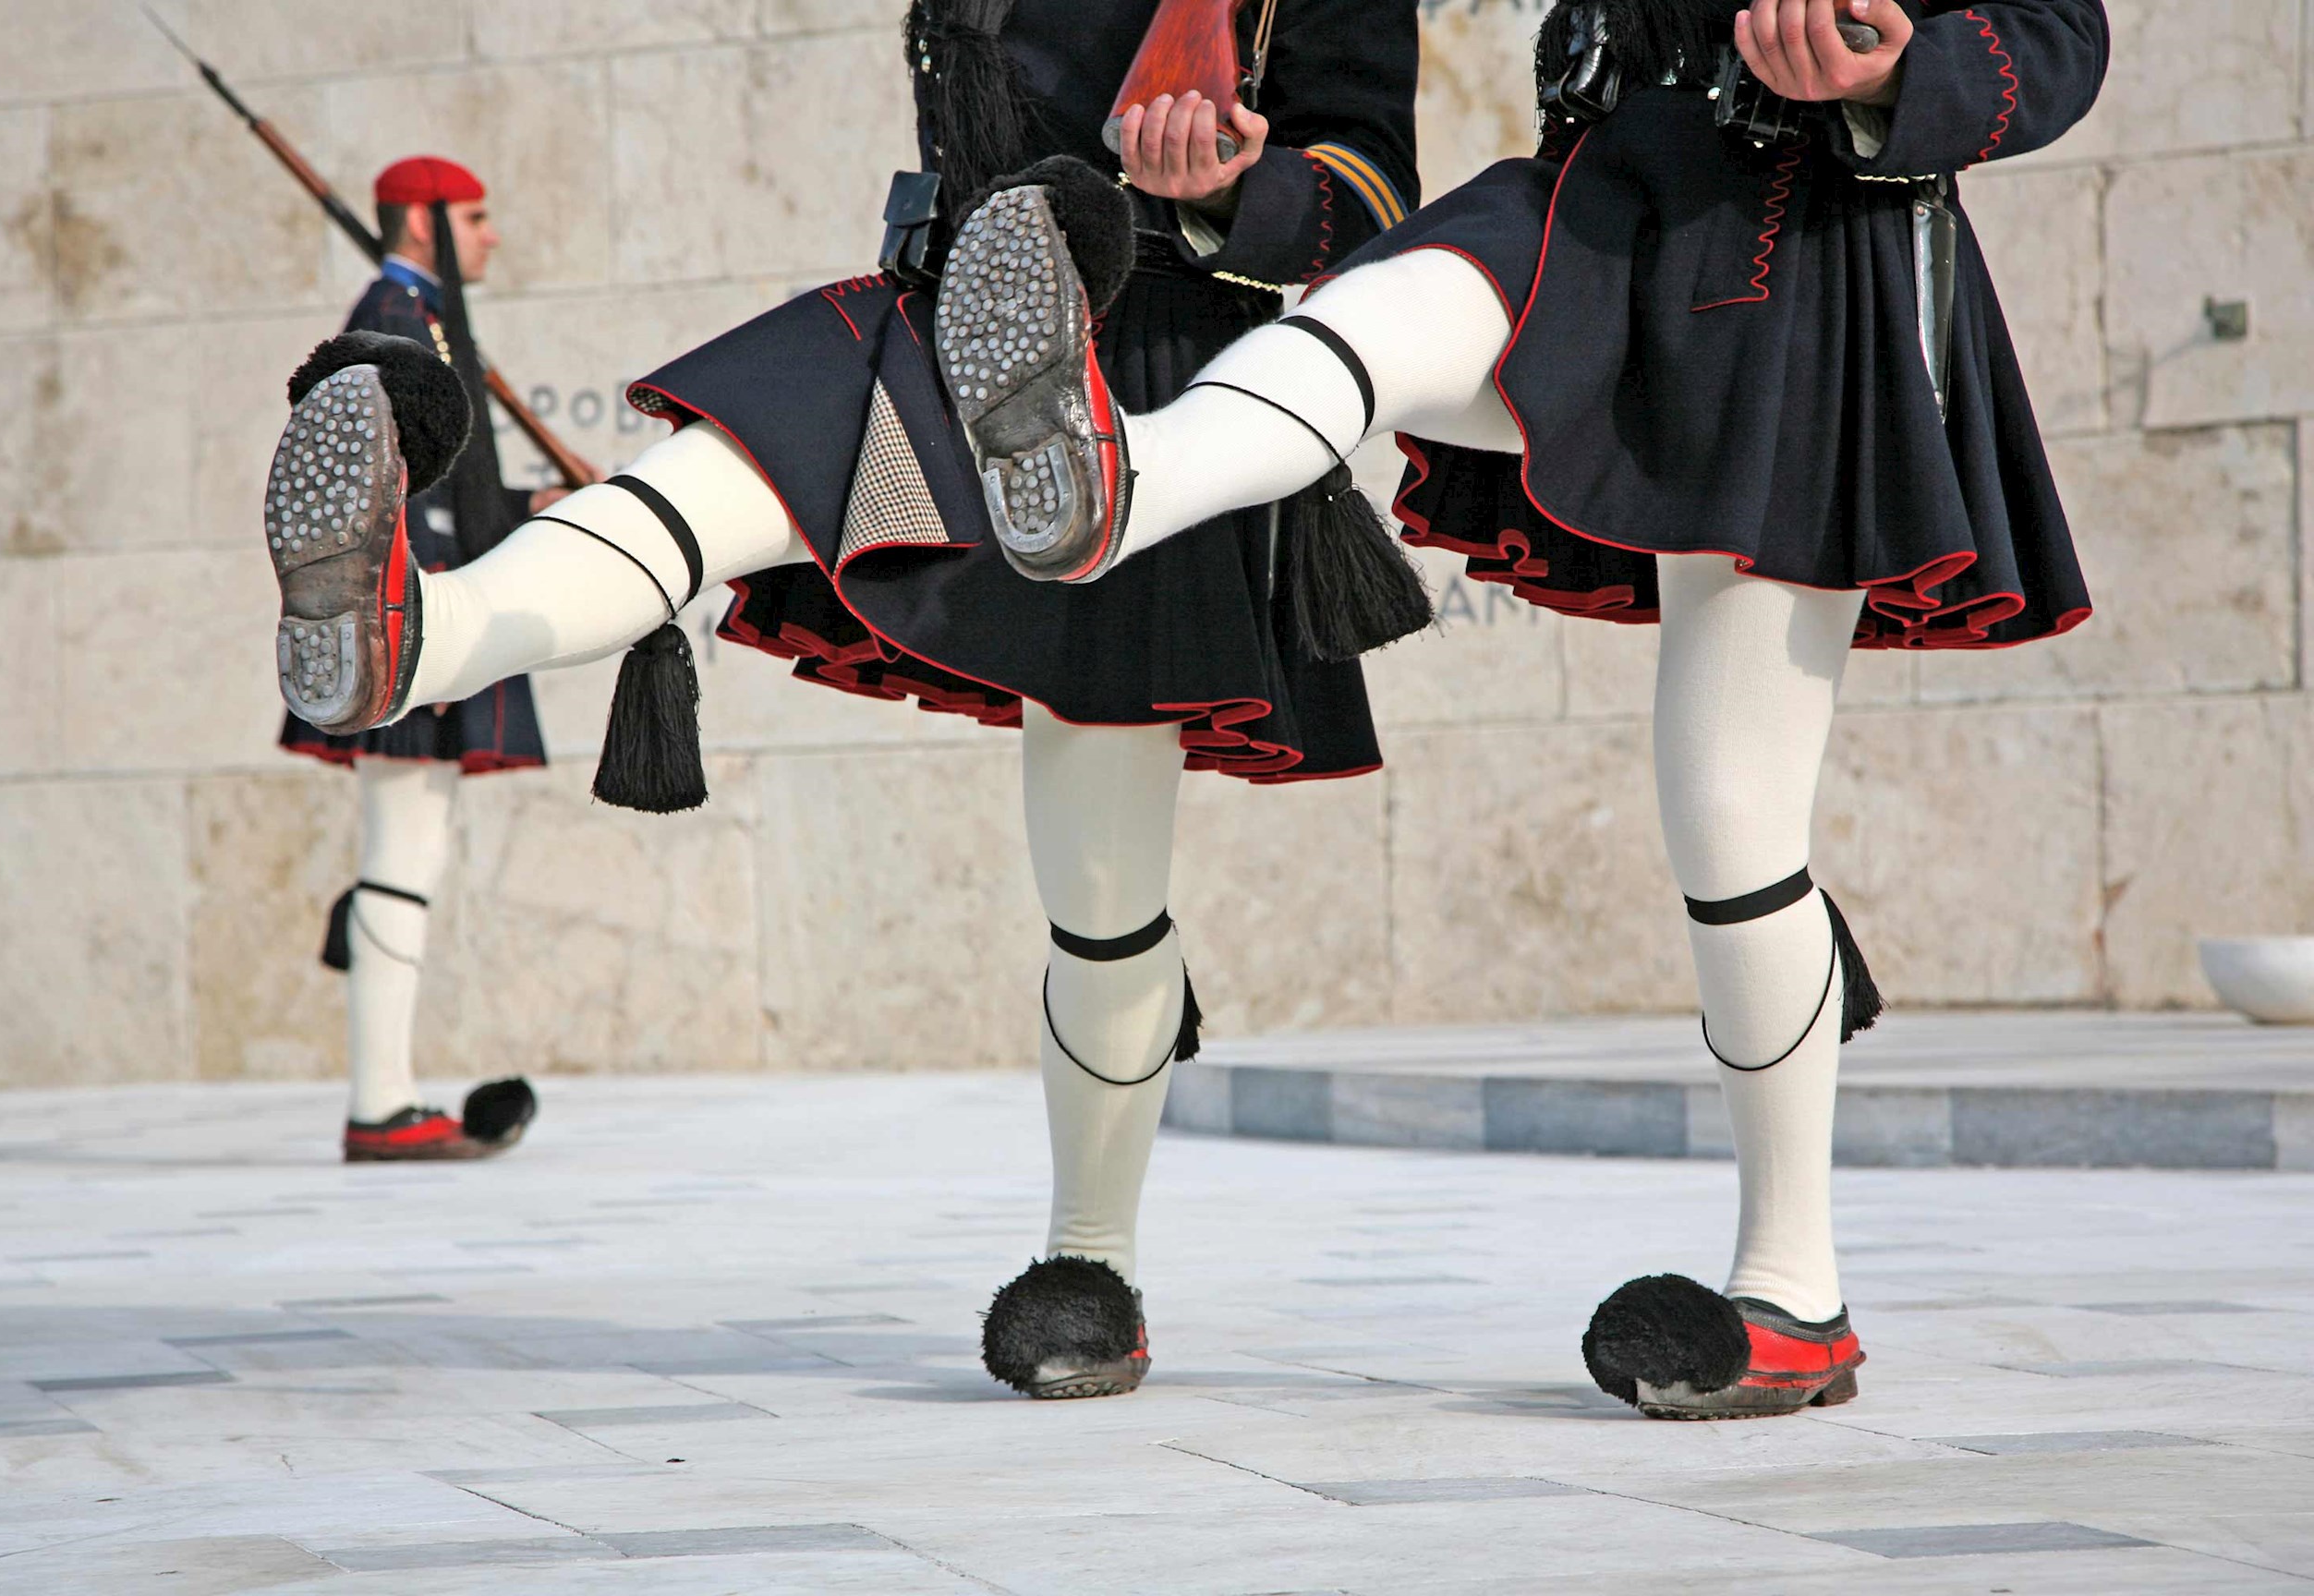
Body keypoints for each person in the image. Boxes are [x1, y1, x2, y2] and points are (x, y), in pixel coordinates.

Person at [936, 0, 2106, 1416]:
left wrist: (1897, 67)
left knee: (1732, 821)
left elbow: (2056, 33)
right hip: (1594, 197)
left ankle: (1795, 1295)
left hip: (1805, 244)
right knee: (1377, 306)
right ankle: (1122, 486)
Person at [257, 4, 1421, 1389]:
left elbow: (1372, 197)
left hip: (1138, 352)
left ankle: (1090, 1264)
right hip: (941, 314)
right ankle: (411, 634)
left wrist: (1235, 185)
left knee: (1102, 882)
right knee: (697, 481)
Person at [275, 155, 571, 1163]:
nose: (491, 234)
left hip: (424, 596)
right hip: (408, 608)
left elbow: (449, 487)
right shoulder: (393, 322)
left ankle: (387, 1091)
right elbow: (383, 501)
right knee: (402, 846)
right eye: (475, 217)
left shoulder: (425, 320)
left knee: (411, 844)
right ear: (419, 222)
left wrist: (531, 508)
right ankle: (381, 1104)